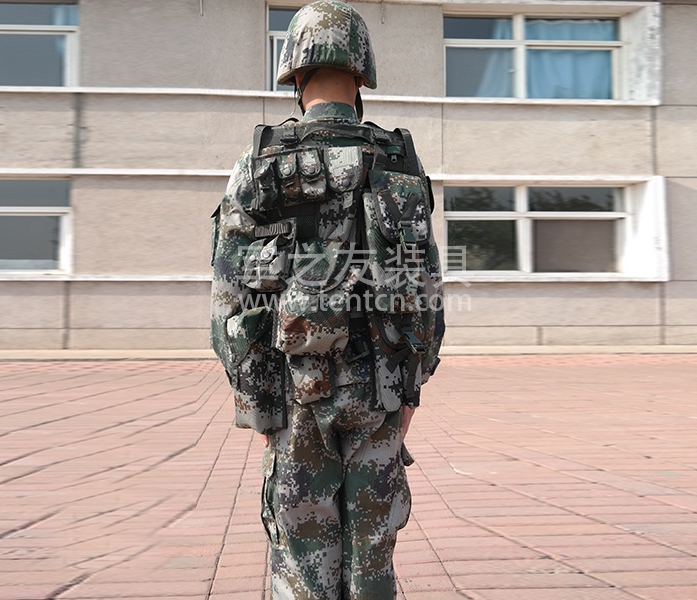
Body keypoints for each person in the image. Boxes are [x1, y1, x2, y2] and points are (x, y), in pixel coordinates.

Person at [210, 2, 443, 598]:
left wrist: (257, 401)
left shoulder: (259, 163)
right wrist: (410, 390)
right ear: (362, 71)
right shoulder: (398, 162)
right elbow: (425, 290)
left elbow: (229, 300)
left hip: (295, 393)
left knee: (302, 558)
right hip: (381, 387)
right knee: (372, 556)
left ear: (293, 70)